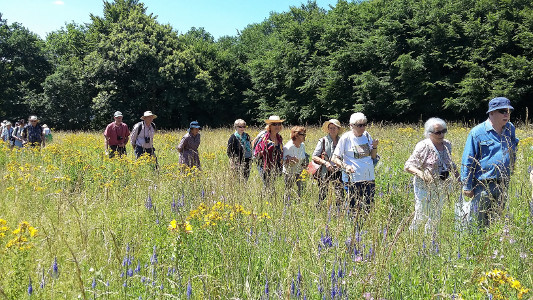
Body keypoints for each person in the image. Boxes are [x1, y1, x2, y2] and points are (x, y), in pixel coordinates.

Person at [461, 97, 519, 228]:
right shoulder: (477, 132)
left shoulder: (510, 129)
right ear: (491, 112)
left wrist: (512, 165)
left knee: (497, 222)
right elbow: (468, 159)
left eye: (509, 111)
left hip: (503, 183)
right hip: (483, 185)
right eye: (502, 111)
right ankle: (475, 247)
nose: (507, 114)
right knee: (477, 222)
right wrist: (467, 186)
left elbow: (513, 147)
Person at [404, 118, 459, 233]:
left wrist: (459, 177)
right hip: (424, 186)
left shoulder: (447, 144)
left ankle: (429, 238)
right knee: (422, 213)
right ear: (429, 133)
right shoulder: (424, 146)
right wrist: (422, 174)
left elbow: (449, 162)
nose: (442, 134)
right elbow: (408, 166)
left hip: (441, 185)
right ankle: (412, 236)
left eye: (444, 131)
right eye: (438, 132)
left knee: (436, 214)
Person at [332, 112, 379, 216]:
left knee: (368, 206)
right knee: (353, 208)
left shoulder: (366, 135)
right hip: (352, 179)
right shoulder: (346, 138)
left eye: (364, 125)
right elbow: (334, 158)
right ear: (351, 126)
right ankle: (354, 229)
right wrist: (346, 166)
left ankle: (364, 229)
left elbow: (373, 156)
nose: (363, 128)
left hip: (369, 178)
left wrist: (375, 147)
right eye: (359, 125)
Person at [312, 119, 344, 208]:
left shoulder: (342, 141)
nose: (332, 130)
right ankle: (318, 209)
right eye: (330, 128)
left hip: (338, 170)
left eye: (335, 128)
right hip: (325, 171)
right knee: (323, 193)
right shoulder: (323, 140)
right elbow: (314, 156)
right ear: (328, 129)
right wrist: (326, 163)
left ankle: (339, 211)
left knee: (339, 193)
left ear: (338, 129)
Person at [254, 116, 284, 187]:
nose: (277, 126)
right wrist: (265, 151)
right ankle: (266, 198)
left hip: (276, 165)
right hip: (265, 166)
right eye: (274, 124)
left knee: (272, 185)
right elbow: (257, 155)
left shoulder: (279, 138)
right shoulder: (264, 138)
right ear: (269, 126)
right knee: (267, 186)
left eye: (279, 124)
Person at [283, 126, 308, 198]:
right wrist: (290, 159)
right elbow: (282, 160)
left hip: (300, 171)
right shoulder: (289, 146)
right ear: (296, 135)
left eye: (304, 134)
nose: (304, 136)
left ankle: (300, 203)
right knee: (288, 191)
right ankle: (287, 205)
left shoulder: (302, 145)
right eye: (303, 135)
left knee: (301, 190)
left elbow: (303, 156)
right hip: (289, 172)